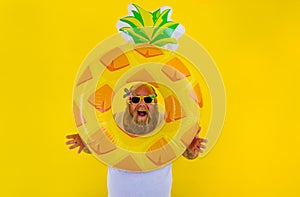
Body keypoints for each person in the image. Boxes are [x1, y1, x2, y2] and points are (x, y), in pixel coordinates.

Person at [66, 83, 207, 197]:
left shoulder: (169, 123)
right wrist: (86, 142)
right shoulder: (114, 122)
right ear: (129, 103)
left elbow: (188, 155)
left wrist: (190, 148)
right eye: (135, 99)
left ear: (155, 102)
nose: (141, 104)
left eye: (148, 99)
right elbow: (99, 148)